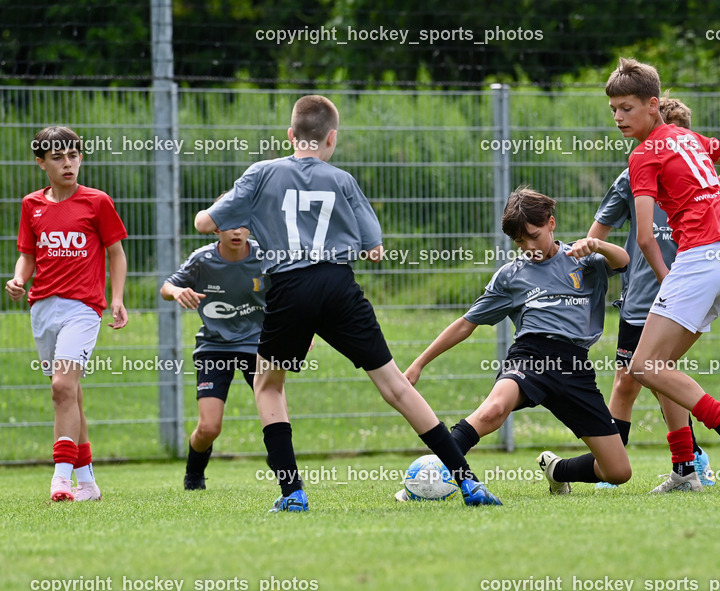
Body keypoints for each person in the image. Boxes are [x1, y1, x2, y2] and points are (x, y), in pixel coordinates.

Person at [194, 94, 501, 510]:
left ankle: (293, 494)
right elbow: (374, 248)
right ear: (332, 138)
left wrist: (250, 212)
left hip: (288, 286)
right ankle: (469, 484)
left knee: (268, 384)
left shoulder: (262, 173)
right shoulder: (342, 180)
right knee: (395, 386)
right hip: (338, 285)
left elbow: (205, 222)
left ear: (291, 135)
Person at [402, 186, 631, 497]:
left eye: (534, 236)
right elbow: (465, 324)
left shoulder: (583, 258)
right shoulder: (511, 276)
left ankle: (558, 471)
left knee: (618, 471)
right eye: (520, 242)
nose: (528, 247)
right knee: (492, 411)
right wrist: (419, 364)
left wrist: (598, 244)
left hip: (574, 366)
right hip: (530, 357)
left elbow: (623, 261)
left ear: (551, 223)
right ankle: (424, 481)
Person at [605, 57, 720, 492]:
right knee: (661, 367)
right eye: (614, 109)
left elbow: (644, 238)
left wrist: (665, 277)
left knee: (642, 366)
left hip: (696, 263)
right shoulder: (689, 138)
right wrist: (705, 195)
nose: (618, 117)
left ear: (653, 104)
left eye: (627, 108)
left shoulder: (642, 155)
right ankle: (684, 470)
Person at [588, 97, 717, 492]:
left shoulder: (699, 175)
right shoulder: (633, 176)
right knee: (628, 382)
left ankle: (691, 460)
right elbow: (597, 237)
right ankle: (614, 466)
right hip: (641, 298)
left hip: (682, 293)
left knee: (659, 374)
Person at [6, 126, 129, 502]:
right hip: (43, 308)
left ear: (81, 158)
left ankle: (60, 478)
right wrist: (18, 279)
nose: (67, 163)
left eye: (73, 155)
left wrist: (117, 298)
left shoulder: (97, 202)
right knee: (69, 394)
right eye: (57, 157)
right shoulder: (31, 205)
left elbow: (116, 253)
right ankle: (87, 484)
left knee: (61, 387)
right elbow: (28, 255)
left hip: (83, 308)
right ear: (41, 163)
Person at [161, 221, 264, 491]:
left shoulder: (266, 256)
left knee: (275, 419)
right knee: (209, 428)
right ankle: (194, 473)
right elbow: (166, 288)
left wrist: (301, 329)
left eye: (242, 225)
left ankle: (288, 478)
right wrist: (177, 291)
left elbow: (290, 293)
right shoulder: (202, 259)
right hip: (214, 348)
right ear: (216, 229)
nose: (236, 231)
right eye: (229, 225)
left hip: (259, 346)